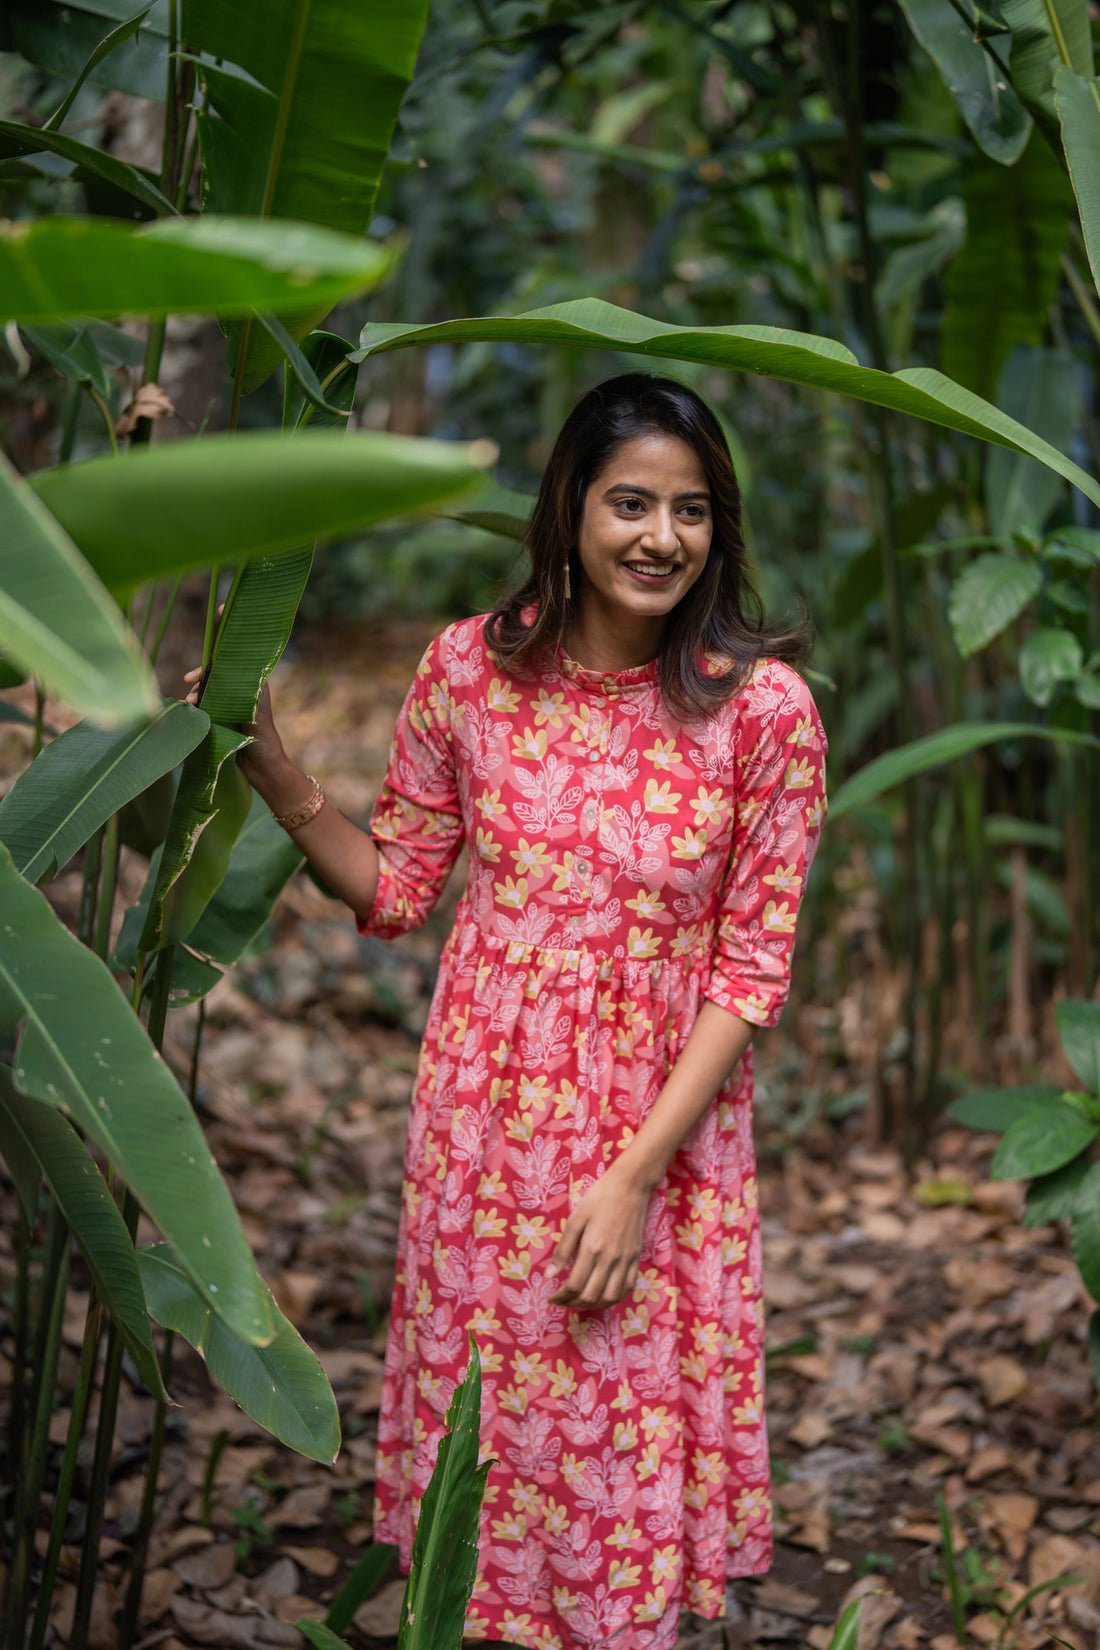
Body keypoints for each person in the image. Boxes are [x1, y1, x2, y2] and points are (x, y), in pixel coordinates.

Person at [189, 373, 827, 1650]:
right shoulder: (469, 675)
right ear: (569, 510)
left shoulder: (761, 712)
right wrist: (272, 771)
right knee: (495, 1445)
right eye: (630, 503)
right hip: (483, 1137)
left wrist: (635, 1175)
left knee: (616, 1444)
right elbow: (399, 889)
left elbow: (748, 973)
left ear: (720, 530)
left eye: (690, 511)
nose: (660, 537)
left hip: (659, 1142)